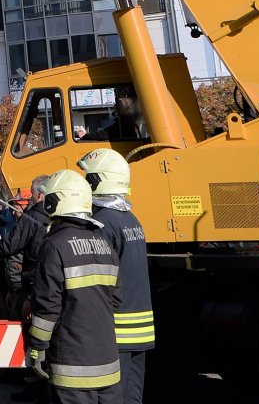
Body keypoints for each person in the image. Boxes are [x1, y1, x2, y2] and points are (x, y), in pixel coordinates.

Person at [26, 169, 121, 403]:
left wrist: (37, 347)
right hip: (108, 363)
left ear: (54, 203)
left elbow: (47, 306)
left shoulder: (54, 245)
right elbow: (116, 300)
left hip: (71, 365)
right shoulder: (104, 243)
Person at [79, 149, 153, 404]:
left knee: (115, 396)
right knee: (133, 396)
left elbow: (99, 279)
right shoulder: (131, 218)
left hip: (116, 329)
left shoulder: (103, 223)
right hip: (140, 329)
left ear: (99, 181)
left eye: (88, 179)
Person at [0, 174, 53, 314]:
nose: (31, 199)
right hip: (46, 289)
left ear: (40, 195)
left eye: (32, 195)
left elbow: (10, 248)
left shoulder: (30, 220)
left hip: (31, 290)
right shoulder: (57, 218)